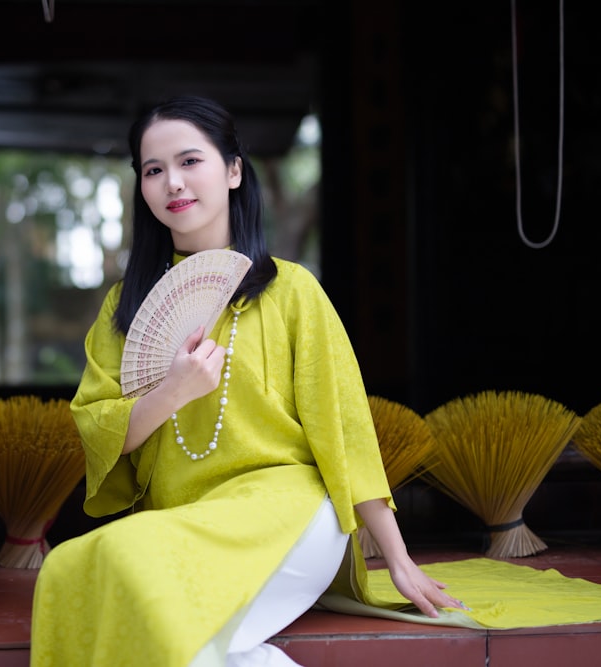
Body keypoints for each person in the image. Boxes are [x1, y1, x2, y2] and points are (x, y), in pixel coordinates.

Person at [29, 95, 465, 667]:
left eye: (190, 161)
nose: (172, 183)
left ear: (233, 170)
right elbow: (101, 430)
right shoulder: (125, 307)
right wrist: (173, 392)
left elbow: (345, 430)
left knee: (136, 574)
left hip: (286, 511)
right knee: (71, 564)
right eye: (153, 170)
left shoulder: (291, 290)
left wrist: (398, 558)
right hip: (182, 522)